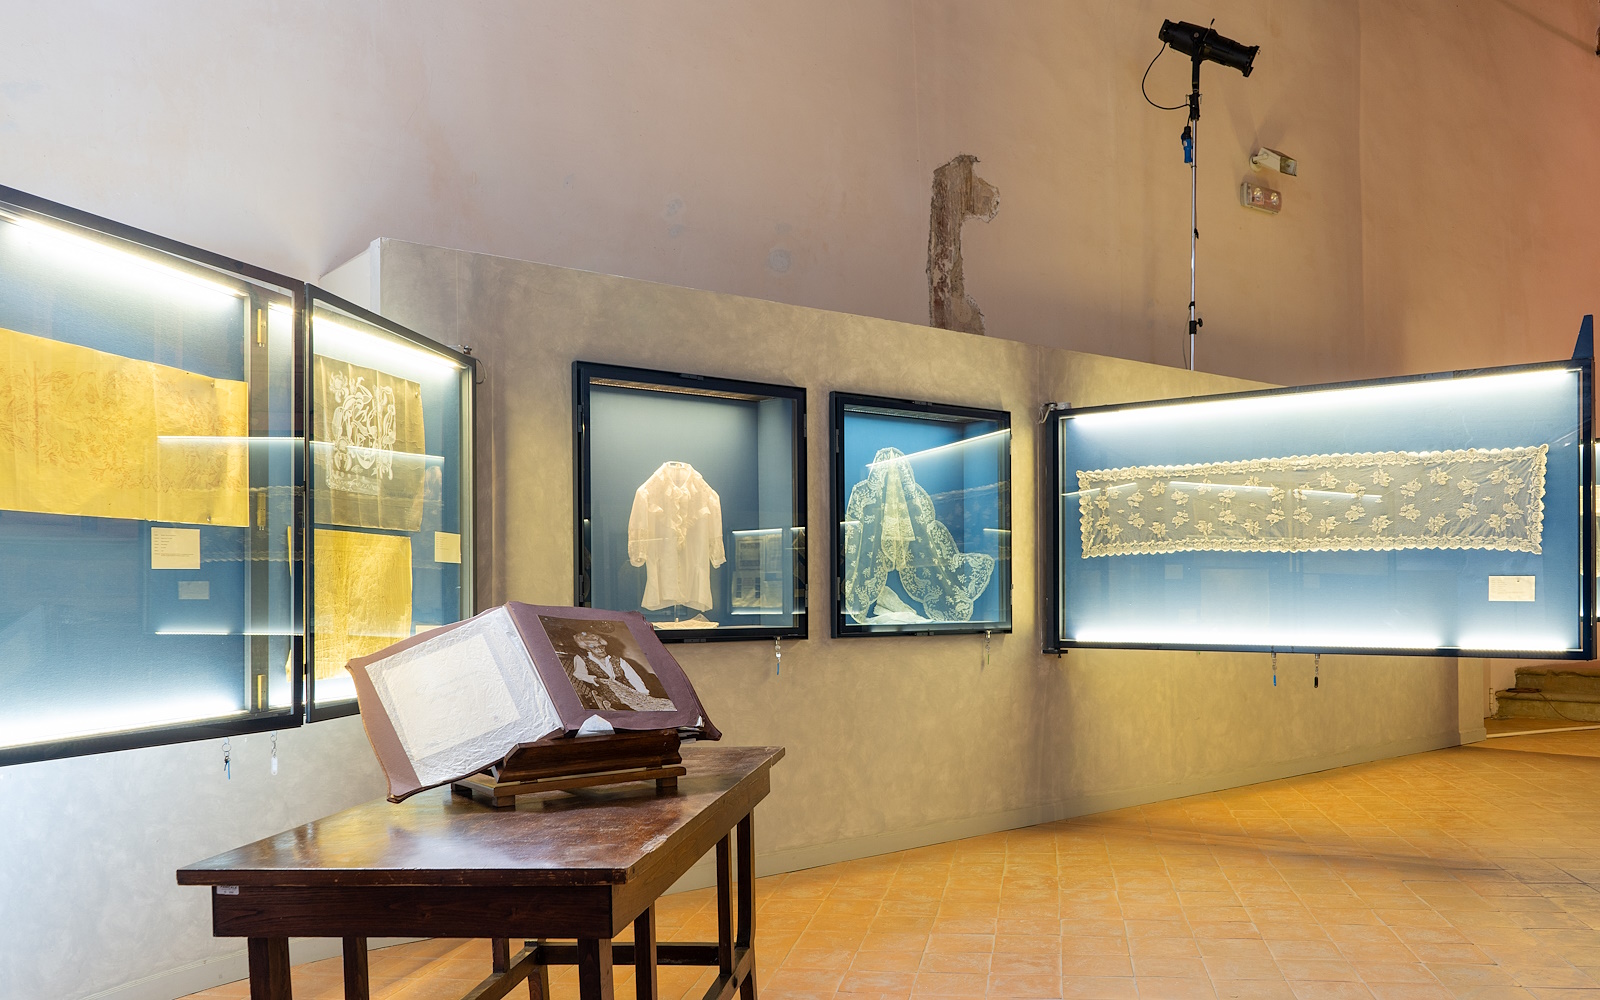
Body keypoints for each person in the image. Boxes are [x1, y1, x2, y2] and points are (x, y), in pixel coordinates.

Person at [566, 631, 674, 712]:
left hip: (630, 694)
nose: (600, 649)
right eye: (595, 647)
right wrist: (594, 679)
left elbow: (633, 677)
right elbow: (578, 674)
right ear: (587, 649)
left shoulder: (617, 659)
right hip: (607, 698)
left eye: (601, 646)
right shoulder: (581, 658)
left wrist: (644, 694)